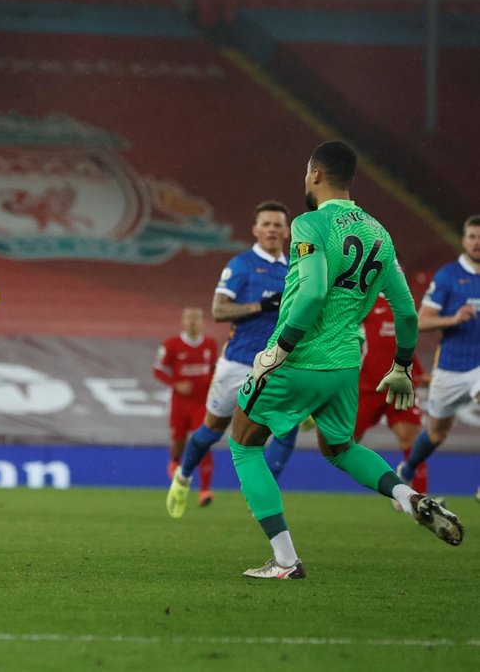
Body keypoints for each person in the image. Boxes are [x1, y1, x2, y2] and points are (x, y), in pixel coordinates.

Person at [202, 140, 461, 579]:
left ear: (316, 174)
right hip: (345, 365)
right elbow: (407, 311)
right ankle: (406, 496)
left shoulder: (309, 224)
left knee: (244, 445)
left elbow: (314, 292)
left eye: (307, 172)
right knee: (339, 447)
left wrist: (277, 350)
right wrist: (400, 366)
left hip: (299, 359)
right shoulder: (379, 233)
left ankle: (285, 561)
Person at [166, 201, 298, 518]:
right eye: (266, 224)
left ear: (287, 230)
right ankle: (183, 476)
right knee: (212, 430)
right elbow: (219, 310)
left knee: (288, 426)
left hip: (278, 363)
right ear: (255, 229)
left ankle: (263, 492)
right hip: (238, 361)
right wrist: (260, 306)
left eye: (278, 224)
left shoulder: (297, 266)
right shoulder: (241, 265)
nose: (272, 230)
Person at [398, 216, 480, 491]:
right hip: (451, 368)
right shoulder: (448, 276)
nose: (477, 242)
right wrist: (452, 320)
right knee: (436, 433)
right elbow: (422, 321)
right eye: (472, 236)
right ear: (464, 240)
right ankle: (407, 470)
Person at [354, 294, 429, 505]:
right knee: (344, 443)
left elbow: (407, 341)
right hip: (369, 386)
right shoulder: (365, 298)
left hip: (401, 384)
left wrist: (419, 372)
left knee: (412, 442)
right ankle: (393, 488)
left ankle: (420, 502)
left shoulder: (404, 301)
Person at [153, 307, 218, 505]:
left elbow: (216, 370)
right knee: (179, 442)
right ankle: (175, 460)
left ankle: (205, 491)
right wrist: (176, 383)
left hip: (201, 404)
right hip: (180, 404)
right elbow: (158, 370)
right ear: (183, 321)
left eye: (196, 318)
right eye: (189, 318)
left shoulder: (210, 345)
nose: (192, 321)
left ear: (201, 322)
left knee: (203, 443)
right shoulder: (172, 344)